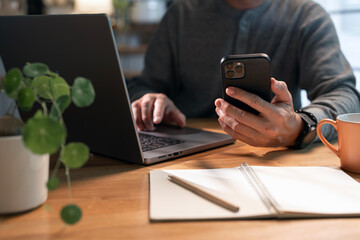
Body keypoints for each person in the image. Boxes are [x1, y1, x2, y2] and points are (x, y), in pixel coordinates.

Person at [126, 0, 360, 148]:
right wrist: (149, 99)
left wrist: (300, 126)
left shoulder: (307, 15)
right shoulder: (180, 14)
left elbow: (344, 96)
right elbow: (142, 85)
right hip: (187, 154)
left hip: (277, 156)